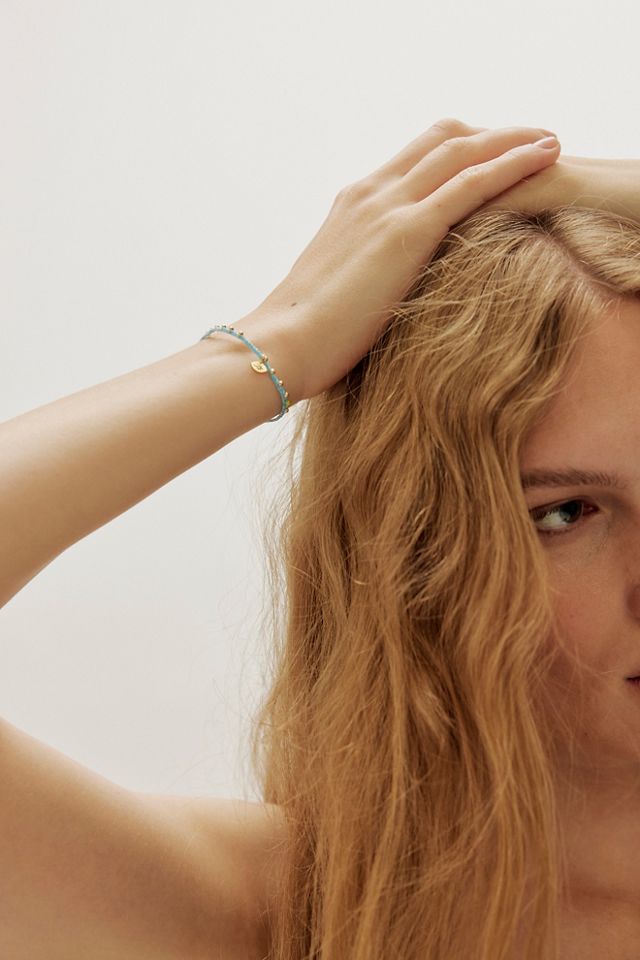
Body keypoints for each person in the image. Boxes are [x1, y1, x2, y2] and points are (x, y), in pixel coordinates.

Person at [1, 118, 639, 960]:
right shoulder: (267, 911)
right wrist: (275, 347)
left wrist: (585, 184)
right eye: (564, 513)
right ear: (417, 558)